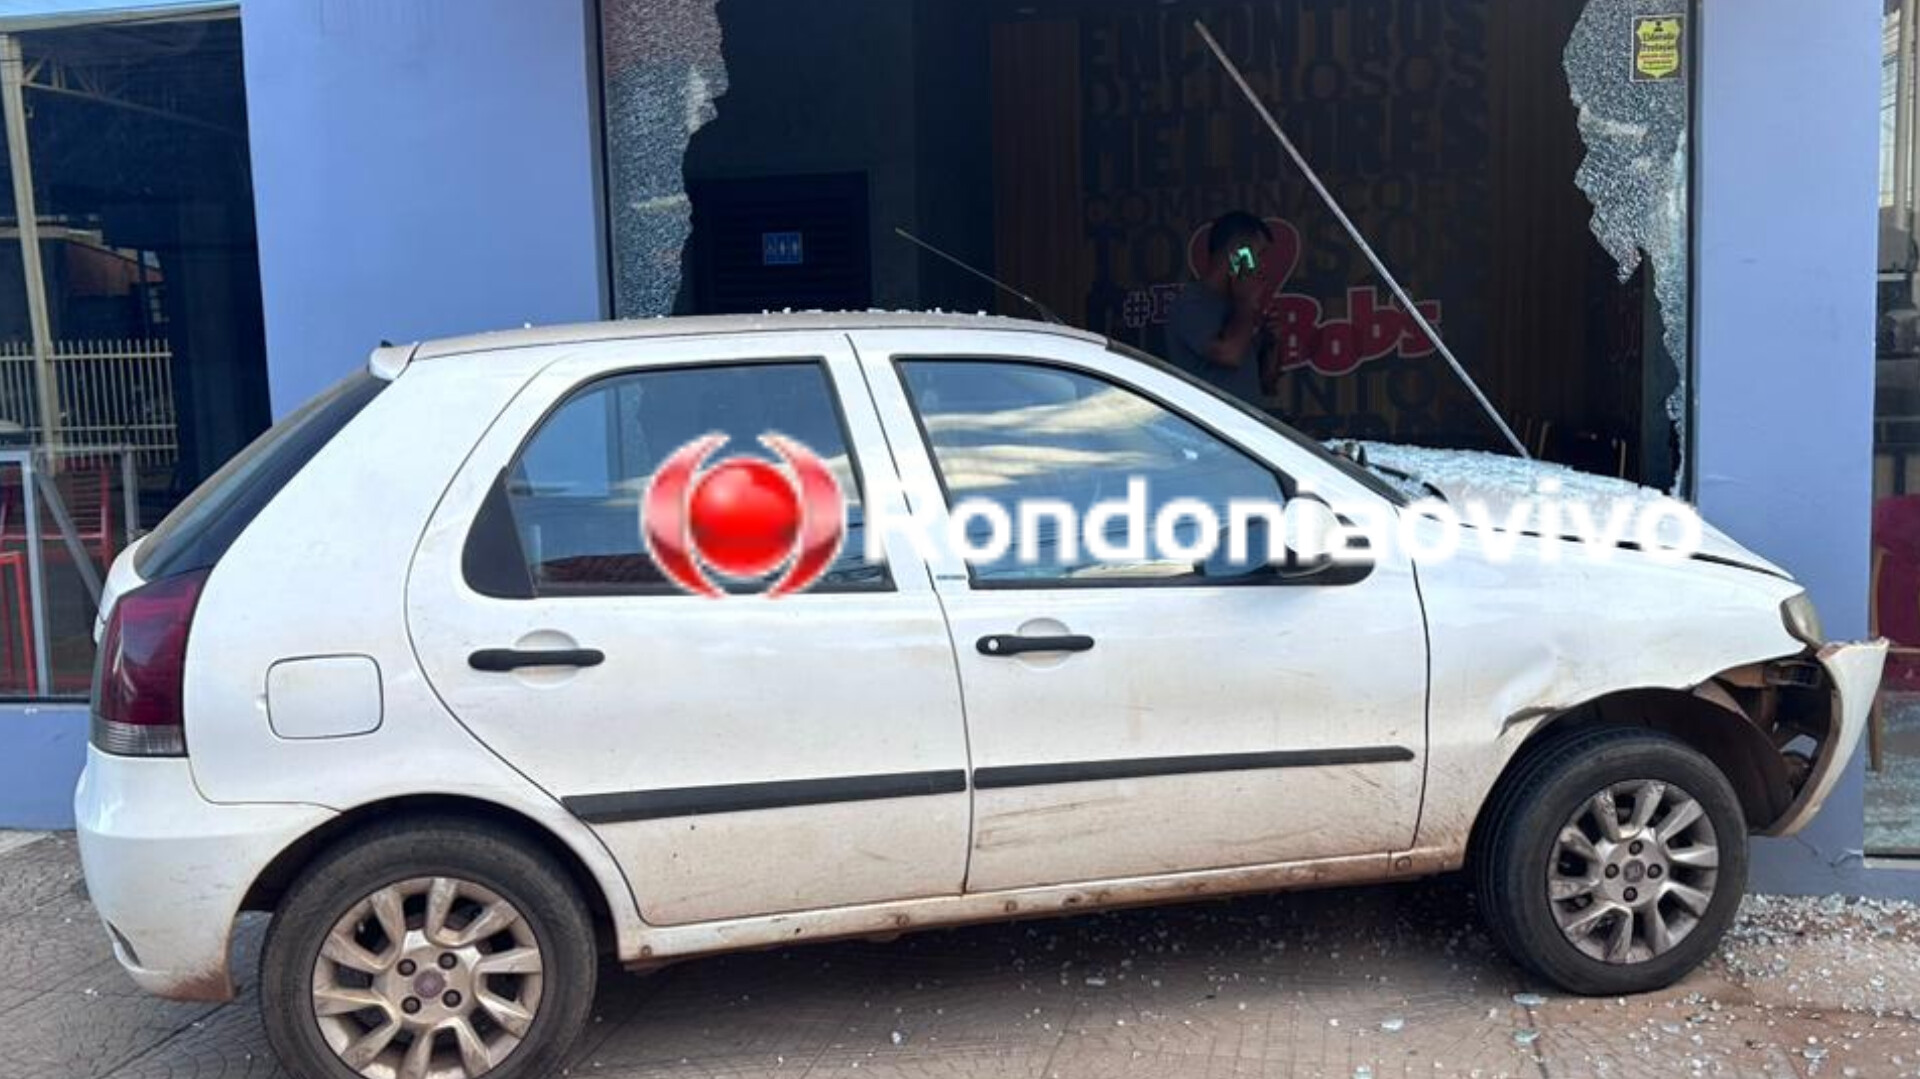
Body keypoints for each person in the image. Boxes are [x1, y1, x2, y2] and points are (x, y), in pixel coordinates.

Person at [1166, 210, 1275, 405]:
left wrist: (1272, 339)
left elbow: (1267, 381)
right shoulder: (1192, 303)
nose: (1263, 265)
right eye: (1259, 255)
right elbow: (1229, 354)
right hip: (1210, 429)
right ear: (1238, 254)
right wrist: (1245, 303)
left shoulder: (1239, 306)